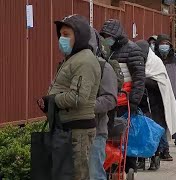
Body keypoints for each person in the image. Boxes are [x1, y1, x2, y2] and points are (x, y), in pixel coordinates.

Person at [42, 15, 101, 180]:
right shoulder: (73, 59)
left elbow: (78, 97)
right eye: (61, 34)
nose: (62, 39)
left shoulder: (84, 61)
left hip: (78, 131)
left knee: (77, 175)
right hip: (67, 127)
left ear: (80, 36)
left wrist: (52, 100)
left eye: (67, 34)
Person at [100, 19, 145, 175]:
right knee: (110, 137)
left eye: (109, 36)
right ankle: (110, 166)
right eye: (104, 36)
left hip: (125, 101)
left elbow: (139, 78)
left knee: (125, 137)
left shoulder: (133, 50)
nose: (107, 39)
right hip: (110, 100)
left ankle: (127, 167)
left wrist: (134, 100)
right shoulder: (105, 50)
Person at [136, 40, 176, 170]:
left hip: (156, 105)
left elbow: (161, 84)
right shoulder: (137, 63)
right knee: (140, 132)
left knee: (153, 133)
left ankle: (154, 156)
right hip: (142, 104)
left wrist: (145, 80)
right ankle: (140, 158)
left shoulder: (155, 63)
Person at [88, 28, 118, 180]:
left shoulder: (103, 67)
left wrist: (86, 106)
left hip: (95, 130)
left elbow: (110, 99)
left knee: (94, 174)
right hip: (68, 132)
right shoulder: (66, 66)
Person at [154, 34, 176, 157]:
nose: (165, 46)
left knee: (175, 120)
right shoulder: (154, 59)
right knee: (160, 122)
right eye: (162, 44)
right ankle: (164, 149)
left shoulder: (175, 60)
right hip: (158, 96)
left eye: (167, 44)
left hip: (173, 95)